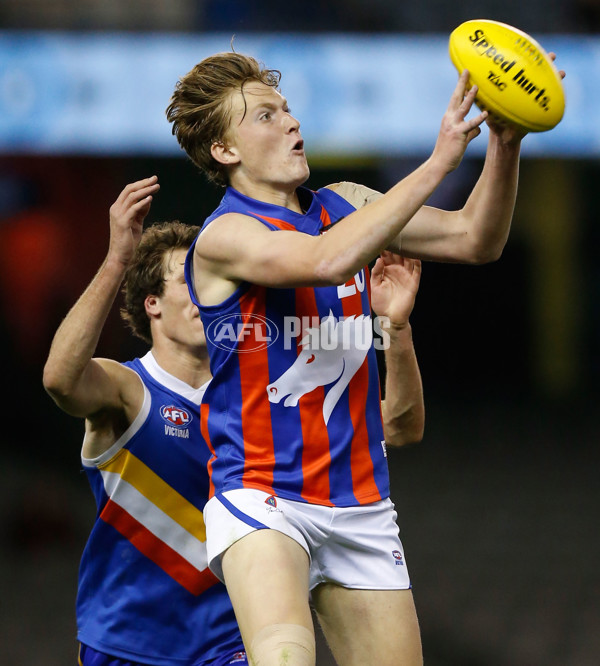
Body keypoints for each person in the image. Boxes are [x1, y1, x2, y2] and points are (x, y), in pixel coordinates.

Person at [165, 50, 558, 665]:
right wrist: (438, 162)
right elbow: (324, 260)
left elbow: (476, 239)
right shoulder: (224, 237)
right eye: (266, 115)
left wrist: (505, 143)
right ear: (224, 151)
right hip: (262, 495)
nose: (291, 122)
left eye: (289, 109)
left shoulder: (345, 203)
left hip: (360, 504)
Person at [42, 177, 248, 666]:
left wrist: (395, 329)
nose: (206, 291)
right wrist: (117, 259)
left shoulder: (252, 396)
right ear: (152, 303)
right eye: (188, 279)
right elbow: (60, 380)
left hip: (227, 644)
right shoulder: (128, 390)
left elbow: (391, 428)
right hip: (126, 643)